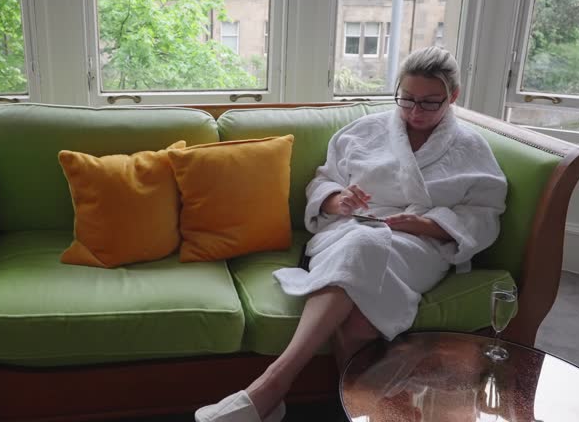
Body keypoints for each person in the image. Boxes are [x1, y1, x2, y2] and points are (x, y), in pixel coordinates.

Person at [195, 46, 508, 422]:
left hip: (419, 245)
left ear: (453, 96)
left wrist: (423, 224)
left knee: (362, 284)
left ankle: (271, 387)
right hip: (348, 230)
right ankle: (363, 414)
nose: (414, 111)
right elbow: (323, 182)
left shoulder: (471, 147)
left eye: (429, 102)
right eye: (407, 98)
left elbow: (483, 215)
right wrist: (338, 200)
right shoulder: (365, 131)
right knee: (359, 316)